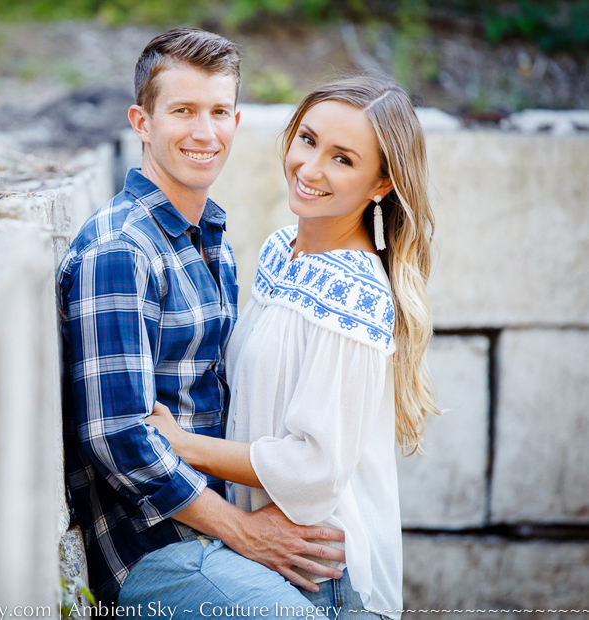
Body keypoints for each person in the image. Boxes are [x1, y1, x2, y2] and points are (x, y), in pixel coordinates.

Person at [57, 28, 345, 612]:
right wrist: (245, 532)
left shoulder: (210, 240)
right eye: (183, 111)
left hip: (221, 530)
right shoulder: (121, 250)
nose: (204, 132)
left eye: (219, 111)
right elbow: (118, 436)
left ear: (237, 123)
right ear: (141, 121)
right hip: (158, 551)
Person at [148, 77, 441, 620]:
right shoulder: (281, 249)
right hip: (265, 555)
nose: (310, 168)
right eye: (307, 140)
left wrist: (181, 445)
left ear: (381, 185)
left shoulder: (356, 292)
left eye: (343, 159)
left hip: (319, 571)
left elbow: (315, 467)